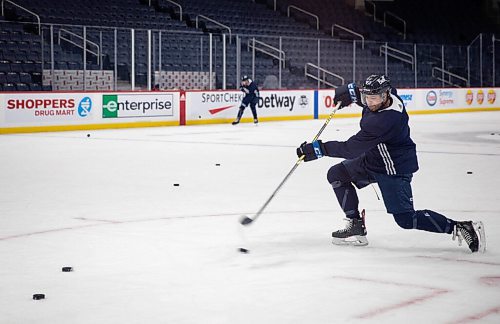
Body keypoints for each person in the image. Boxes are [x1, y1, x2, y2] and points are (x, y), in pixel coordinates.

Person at [296, 74, 486, 253]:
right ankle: (355, 224)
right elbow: (369, 92)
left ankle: (459, 226)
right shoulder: (388, 95)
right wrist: (352, 92)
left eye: (375, 99)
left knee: (405, 219)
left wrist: (319, 149)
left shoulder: (385, 120)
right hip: (374, 159)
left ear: (385, 95)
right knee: (337, 174)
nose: (370, 103)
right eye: (366, 98)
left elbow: (351, 149)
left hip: (394, 168)